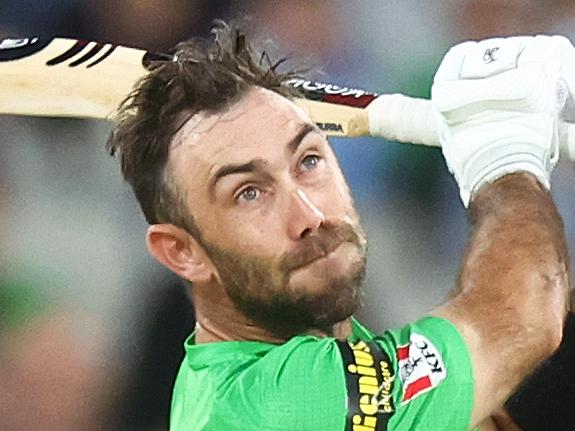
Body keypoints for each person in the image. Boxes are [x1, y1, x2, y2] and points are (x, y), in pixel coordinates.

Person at [107, 23, 573, 430]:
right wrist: (504, 159)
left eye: (309, 160)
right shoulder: (269, 406)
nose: (309, 216)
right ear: (181, 251)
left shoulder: (328, 351)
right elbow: (519, 318)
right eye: (249, 193)